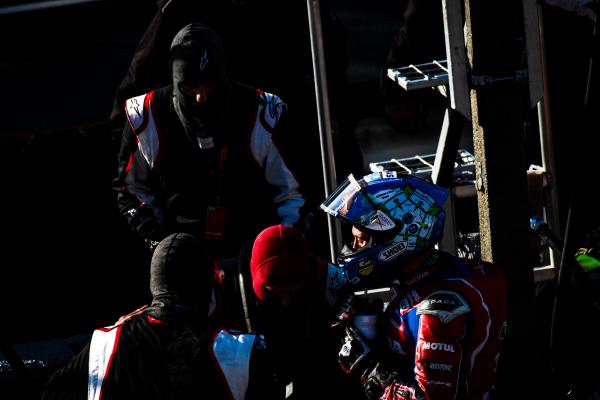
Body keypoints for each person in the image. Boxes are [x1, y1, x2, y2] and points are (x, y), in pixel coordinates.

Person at [112, 23, 307, 259]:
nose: (200, 97)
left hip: (254, 252)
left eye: (209, 85)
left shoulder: (263, 112)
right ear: (175, 82)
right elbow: (131, 192)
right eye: (189, 86)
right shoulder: (145, 116)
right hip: (179, 254)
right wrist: (164, 245)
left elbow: (292, 193)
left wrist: (275, 249)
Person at [320, 171, 508, 399]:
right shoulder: (428, 274)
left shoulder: (440, 307)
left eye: (361, 239)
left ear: (396, 238)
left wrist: (368, 370)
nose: (354, 248)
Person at [41, 232, 223, 399]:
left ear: (155, 281)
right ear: (205, 287)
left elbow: (52, 393)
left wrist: (115, 332)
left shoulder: (105, 344)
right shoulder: (232, 351)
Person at [209, 224, 350, 399]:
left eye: (293, 290)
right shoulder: (219, 285)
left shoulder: (329, 280)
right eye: (274, 292)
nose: (285, 301)